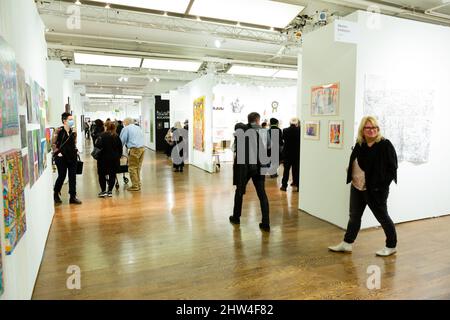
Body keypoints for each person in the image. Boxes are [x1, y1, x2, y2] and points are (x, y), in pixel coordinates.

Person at [328, 116, 398, 257]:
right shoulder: (360, 143)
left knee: (383, 217)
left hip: (375, 190)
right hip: (357, 186)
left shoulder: (385, 145)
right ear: (362, 129)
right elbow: (357, 160)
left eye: (374, 128)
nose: (372, 130)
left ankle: (391, 246)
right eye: (368, 128)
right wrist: (351, 170)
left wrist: (381, 185)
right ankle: (347, 243)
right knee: (354, 216)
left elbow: (393, 168)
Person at [229, 112, 270, 232]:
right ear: (258, 120)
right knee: (262, 194)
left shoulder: (242, 132)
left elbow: (234, 148)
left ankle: (236, 217)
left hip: (245, 166)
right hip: (259, 166)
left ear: (248, 120)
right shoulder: (263, 131)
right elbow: (268, 146)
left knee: (239, 191)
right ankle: (266, 223)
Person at [52, 112, 82, 205]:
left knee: (72, 177)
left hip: (72, 157)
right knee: (62, 176)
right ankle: (56, 193)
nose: (72, 121)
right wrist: (58, 152)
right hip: (61, 158)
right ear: (64, 121)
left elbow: (74, 143)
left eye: (72, 119)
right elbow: (53, 144)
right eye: (70, 119)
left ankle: (73, 196)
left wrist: (75, 150)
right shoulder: (58, 131)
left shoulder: (73, 132)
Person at [95, 122, 123, 197]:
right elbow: (120, 149)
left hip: (102, 160)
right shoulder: (116, 136)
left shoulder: (101, 136)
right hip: (114, 159)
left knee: (102, 175)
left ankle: (103, 191)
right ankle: (110, 191)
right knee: (112, 175)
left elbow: (97, 147)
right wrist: (118, 157)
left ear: (105, 127)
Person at [120, 117, 145, 191]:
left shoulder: (126, 128)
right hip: (142, 149)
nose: (123, 124)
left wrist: (118, 149)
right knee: (138, 168)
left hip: (134, 149)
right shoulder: (138, 127)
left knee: (132, 168)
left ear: (126, 122)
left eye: (124, 122)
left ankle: (135, 186)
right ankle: (138, 184)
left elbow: (122, 140)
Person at [280, 117, 300, 192]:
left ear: (290, 123)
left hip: (287, 153)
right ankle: (297, 185)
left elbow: (283, 139)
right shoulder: (300, 130)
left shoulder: (285, 130)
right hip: (297, 154)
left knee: (286, 170)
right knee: (296, 170)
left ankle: (284, 186)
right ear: (297, 123)